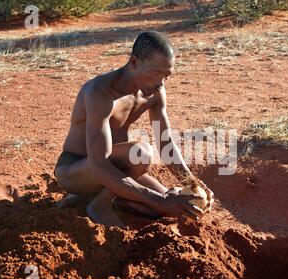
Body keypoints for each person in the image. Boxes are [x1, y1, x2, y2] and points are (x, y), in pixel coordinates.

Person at [54, 31, 213, 227]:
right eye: (155, 73)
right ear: (134, 62)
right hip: (76, 171)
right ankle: (99, 205)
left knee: (162, 209)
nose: (160, 83)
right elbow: (99, 165)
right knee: (142, 153)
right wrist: (158, 200)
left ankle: (89, 199)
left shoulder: (155, 93)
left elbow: (165, 144)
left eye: (167, 75)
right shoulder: (99, 92)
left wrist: (191, 182)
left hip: (116, 169)